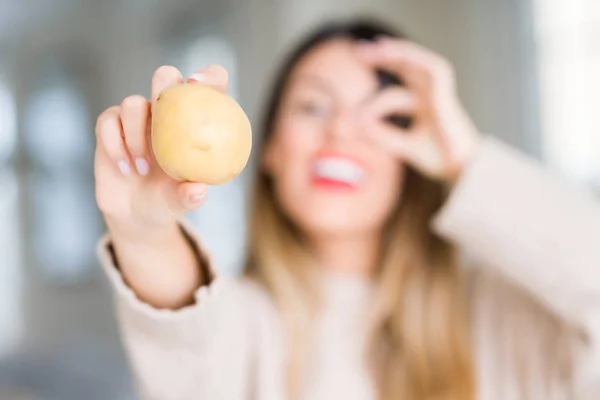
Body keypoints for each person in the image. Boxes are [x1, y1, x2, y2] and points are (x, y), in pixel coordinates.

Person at [94, 19, 600, 400]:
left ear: (412, 161)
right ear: (268, 149)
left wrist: (466, 160)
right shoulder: (246, 330)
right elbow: (184, 336)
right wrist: (143, 232)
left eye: (382, 117)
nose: (340, 133)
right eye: (314, 107)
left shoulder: (507, 320)